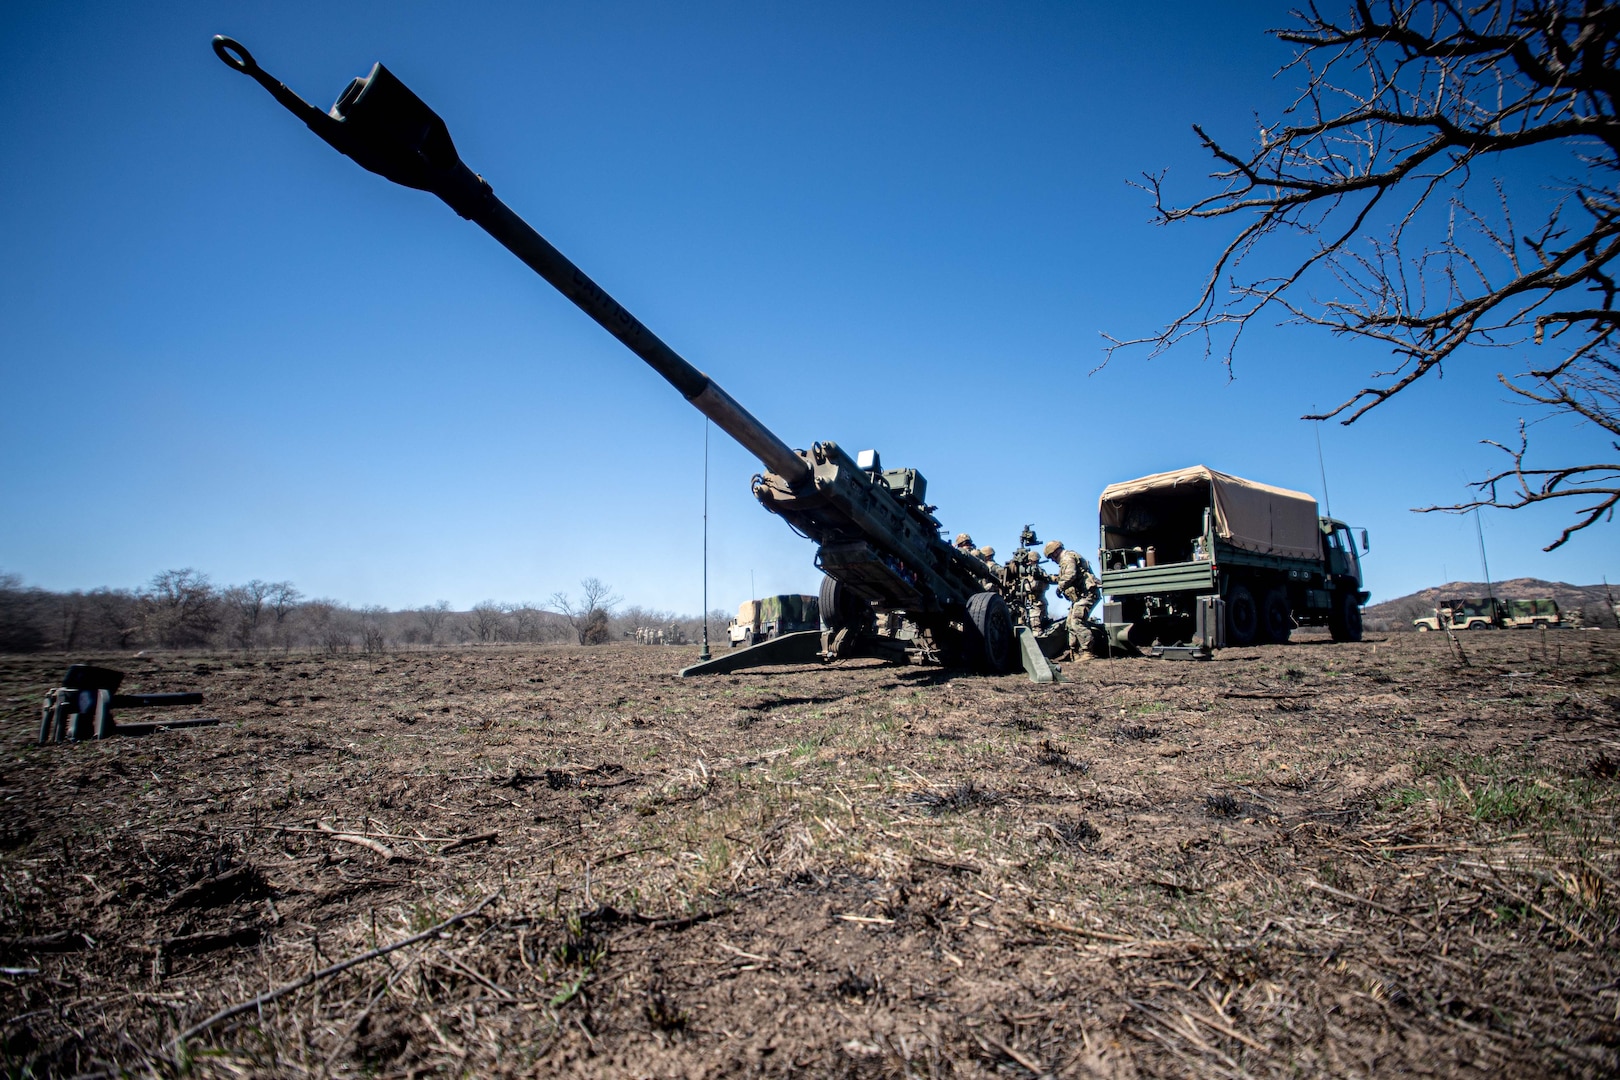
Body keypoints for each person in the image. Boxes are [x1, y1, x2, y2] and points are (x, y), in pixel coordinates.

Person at [1051, 540, 1101, 656]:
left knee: (1077, 621)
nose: (1052, 560)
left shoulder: (1067, 558)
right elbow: (1062, 577)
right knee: (1070, 623)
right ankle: (1075, 653)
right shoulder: (1066, 560)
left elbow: (1070, 575)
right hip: (1081, 597)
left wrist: (1060, 587)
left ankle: (1088, 652)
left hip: (1088, 594)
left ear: (1055, 552)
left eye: (1051, 556)